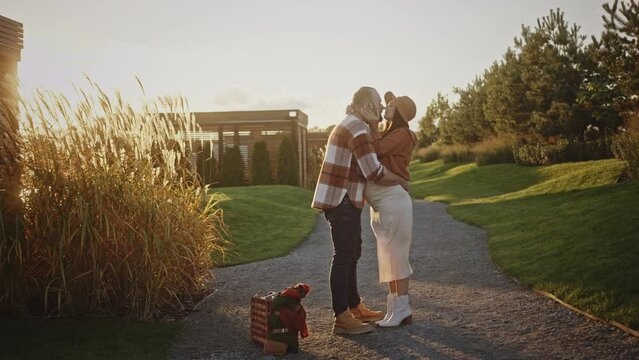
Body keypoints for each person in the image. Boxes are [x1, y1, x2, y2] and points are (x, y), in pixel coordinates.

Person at [311, 86, 408, 335]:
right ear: (366, 104)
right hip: (341, 199)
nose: (381, 108)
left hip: (344, 199)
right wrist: (400, 178)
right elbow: (373, 171)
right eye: (377, 103)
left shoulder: (356, 124)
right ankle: (342, 317)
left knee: (351, 252)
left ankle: (354, 307)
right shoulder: (357, 128)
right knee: (344, 255)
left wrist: (374, 125)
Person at [364, 91, 418, 327]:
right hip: (384, 201)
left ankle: (402, 307)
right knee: (389, 256)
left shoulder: (402, 134)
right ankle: (395, 308)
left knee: (397, 256)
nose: (386, 106)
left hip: (394, 200)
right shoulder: (392, 131)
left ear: (400, 113)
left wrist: (373, 121)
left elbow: (376, 149)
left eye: (391, 104)